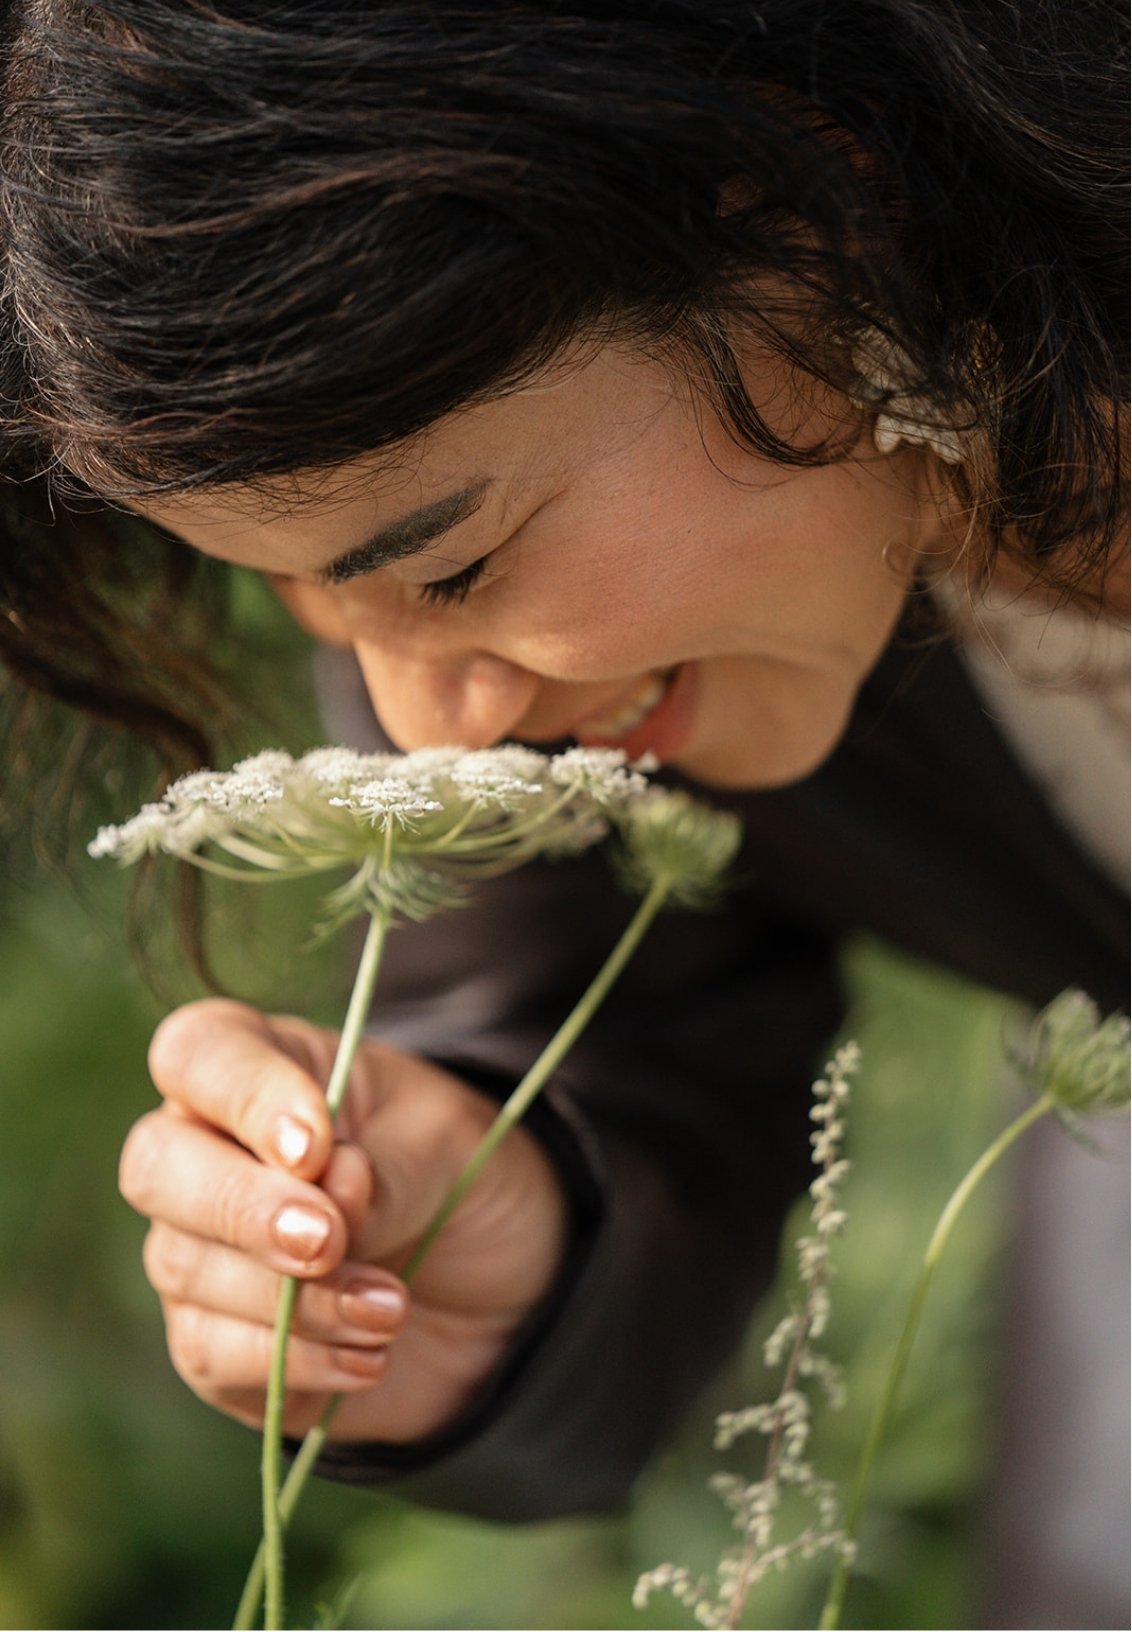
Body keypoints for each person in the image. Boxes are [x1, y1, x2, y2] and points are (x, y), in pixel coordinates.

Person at [0, 0, 1126, 1582]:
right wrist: (479, 1231)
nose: (429, 725)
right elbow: (603, 1054)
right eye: (315, 604)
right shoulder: (553, 652)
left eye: (452, 564)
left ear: (820, 217)